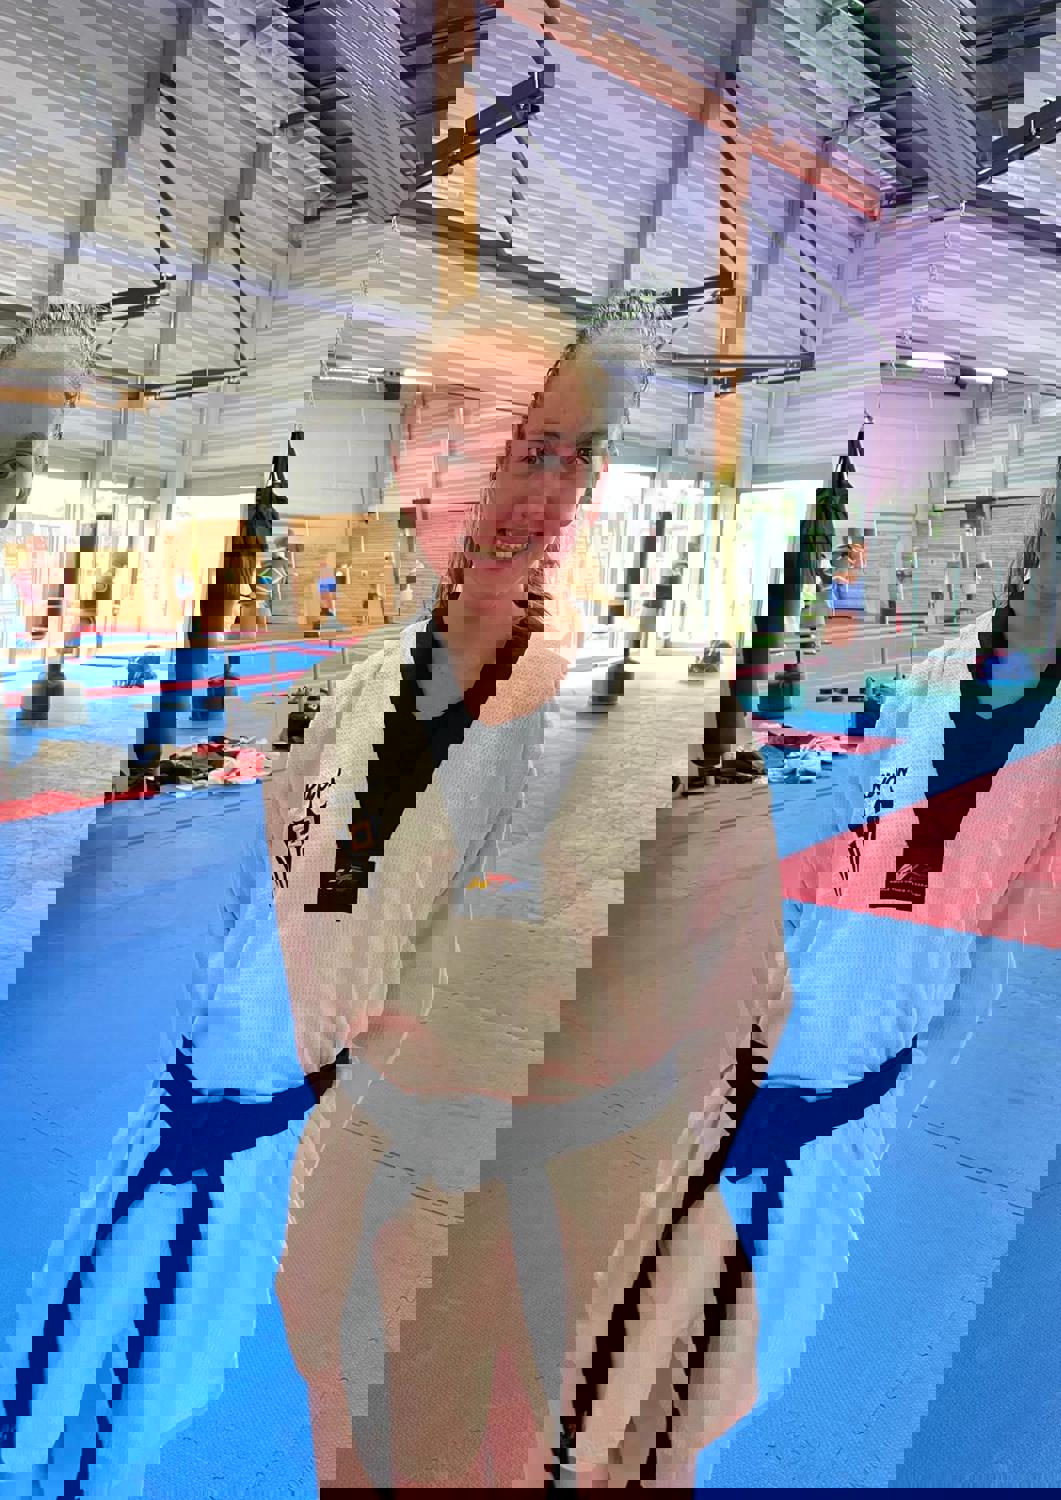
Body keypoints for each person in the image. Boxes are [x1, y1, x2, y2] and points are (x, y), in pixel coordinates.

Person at [267, 301, 795, 1487]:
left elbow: (737, 1025)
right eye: (487, 445)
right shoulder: (319, 723)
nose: (527, 489)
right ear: (410, 463)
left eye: (560, 454)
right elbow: (321, 993)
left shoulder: (684, 730)